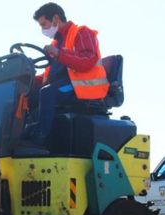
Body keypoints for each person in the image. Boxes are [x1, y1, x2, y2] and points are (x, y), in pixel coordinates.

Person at [27, 2, 109, 144]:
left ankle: (41, 138)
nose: (43, 29)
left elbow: (88, 61)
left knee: (47, 93)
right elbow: (49, 74)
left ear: (56, 19)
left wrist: (59, 54)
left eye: (43, 24)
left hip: (83, 86)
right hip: (62, 86)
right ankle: (24, 135)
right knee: (29, 95)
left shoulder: (81, 32)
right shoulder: (55, 44)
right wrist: (27, 79)